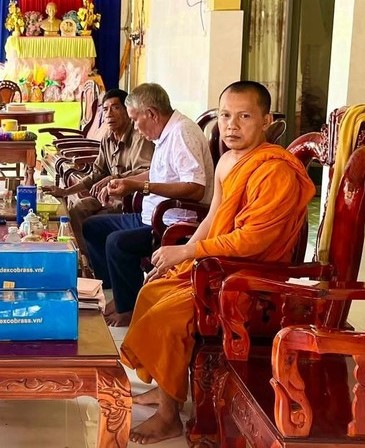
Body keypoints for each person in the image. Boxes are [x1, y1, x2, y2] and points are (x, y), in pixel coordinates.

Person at [120, 81, 315, 444]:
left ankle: (168, 417)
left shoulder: (276, 171)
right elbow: (212, 219)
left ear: (266, 121)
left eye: (245, 116)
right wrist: (182, 256)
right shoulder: (227, 159)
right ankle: (167, 387)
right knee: (152, 290)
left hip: (251, 279)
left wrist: (188, 253)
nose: (232, 125)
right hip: (218, 266)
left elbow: (253, 242)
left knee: (168, 316)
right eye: (225, 115)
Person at [83, 83, 214, 326]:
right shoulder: (166, 133)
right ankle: (116, 293)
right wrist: (127, 182)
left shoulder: (182, 133)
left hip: (172, 222)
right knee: (92, 226)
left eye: (135, 119)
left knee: (117, 243)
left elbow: (195, 188)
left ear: (151, 114)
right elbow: (157, 174)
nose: (134, 126)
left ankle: (129, 307)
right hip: (151, 215)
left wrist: (142, 187)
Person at [43, 88, 153, 256]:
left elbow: (147, 172)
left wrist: (114, 178)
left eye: (115, 108)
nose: (109, 114)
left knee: (93, 222)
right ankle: (85, 259)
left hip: (130, 201)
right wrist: (65, 191)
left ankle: (94, 260)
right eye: (105, 109)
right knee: (77, 209)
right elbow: (97, 173)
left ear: (128, 111)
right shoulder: (108, 137)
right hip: (107, 196)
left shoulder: (139, 137)